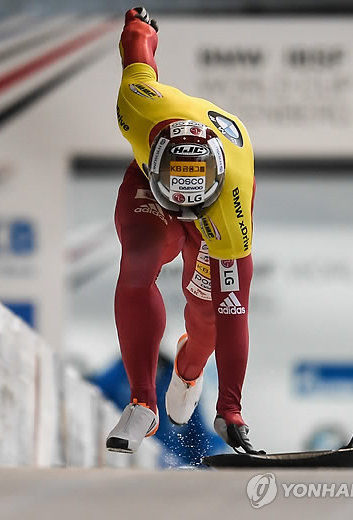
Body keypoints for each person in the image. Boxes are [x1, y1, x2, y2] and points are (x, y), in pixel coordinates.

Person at [106, 7, 258, 456]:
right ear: (154, 156)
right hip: (150, 190)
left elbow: (235, 309)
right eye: (179, 197)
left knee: (210, 315)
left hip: (219, 207)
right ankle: (142, 402)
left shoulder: (233, 199)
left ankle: (190, 371)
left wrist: (231, 407)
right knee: (138, 263)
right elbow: (138, 53)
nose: (184, 209)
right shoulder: (136, 107)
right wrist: (141, 26)